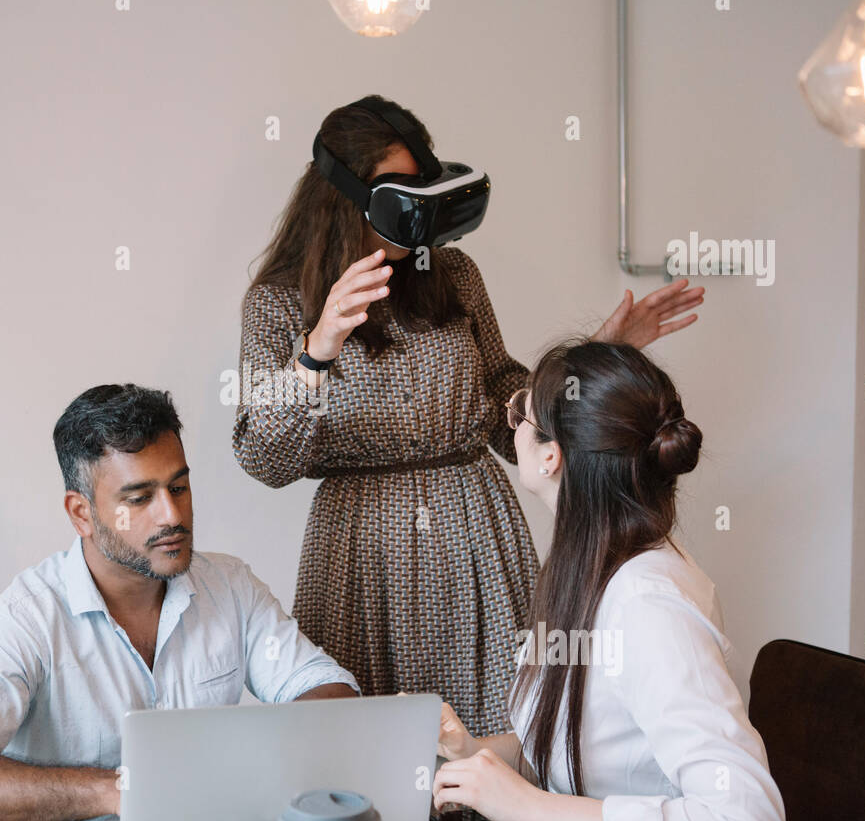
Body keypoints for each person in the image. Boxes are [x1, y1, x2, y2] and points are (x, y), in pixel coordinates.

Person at [232, 94, 706, 753]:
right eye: (395, 191)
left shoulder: (449, 273)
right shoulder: (279, 302)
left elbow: (505, 405)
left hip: (474, 534)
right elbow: (263, 460)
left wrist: (593, 362)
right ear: (340, 196)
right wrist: (315, 351)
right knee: (365, 757)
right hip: (358, 554)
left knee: (492, 740)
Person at [0, 383, 359, 821]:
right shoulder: (24, 618)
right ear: (82, 514)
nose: (172, 516)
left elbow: (325, 689)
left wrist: (259, 756)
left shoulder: (230, 585)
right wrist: (113, 790)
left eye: (178, 488)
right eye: (139, 499)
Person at [431, 339, 784, 821]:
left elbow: (747, 816)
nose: (511, 424)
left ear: (551, 456)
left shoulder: (647, 605)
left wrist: (526, 806)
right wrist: (472, 752)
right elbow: (584, 756)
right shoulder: (586, 567)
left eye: (519, 412)